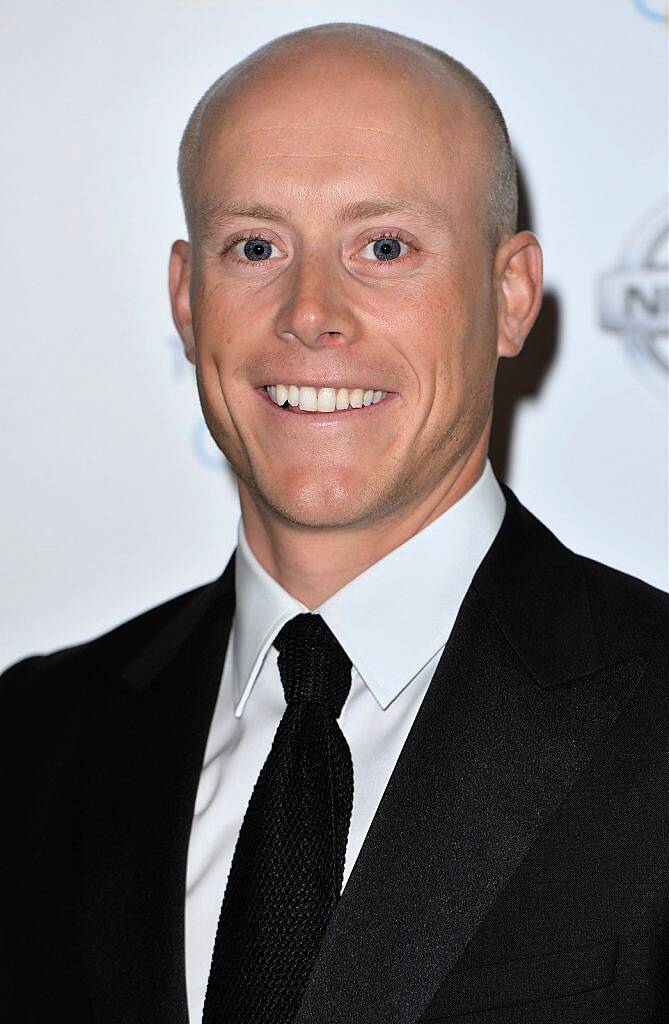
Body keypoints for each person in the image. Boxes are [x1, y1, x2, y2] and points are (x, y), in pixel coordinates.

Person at [1, 20, 667, 1024]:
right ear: (187, 299)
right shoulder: (30, 743)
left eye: (385, 246)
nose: (311, 311)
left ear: (510, 293)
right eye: (256, 246)